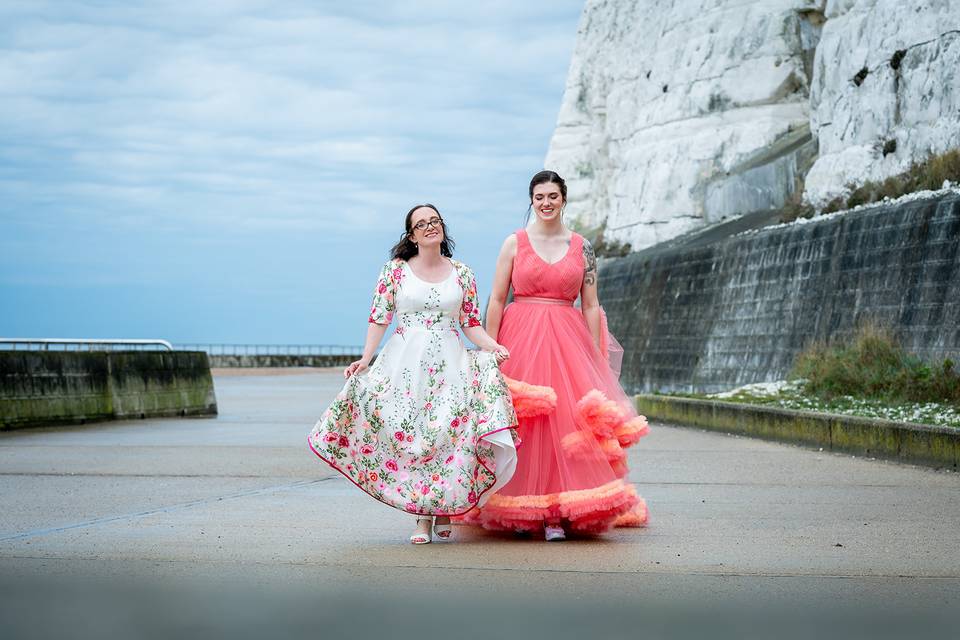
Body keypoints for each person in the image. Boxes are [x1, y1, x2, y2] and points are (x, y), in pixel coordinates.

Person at [308, 204, 519, 544]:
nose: (429, 227)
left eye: (434, 221)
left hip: (451, 363)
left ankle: (445, 506)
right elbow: (380, 318)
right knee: (417, 436)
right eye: (421, 224)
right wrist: (365, 359)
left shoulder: (462, 273)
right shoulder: (395, 271)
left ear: (442, 228)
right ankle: (422, 518)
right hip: (405, 365)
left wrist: (492, 347)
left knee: (447, 434)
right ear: (411, 235)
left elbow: (470, 323)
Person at [462, 171, 649, 540]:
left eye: (552, 196)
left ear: (564, 199)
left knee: (564, 422)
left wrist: (595, 354)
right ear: (531, 201)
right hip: (520, 337)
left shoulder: (583, 247)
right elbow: (497, 299)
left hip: (568, 338)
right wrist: (490, 349)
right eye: (538, 197)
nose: (546, 203)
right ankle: (517, 508)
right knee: (523, 422)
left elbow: (591, 304)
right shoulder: (514, 243)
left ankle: (556, 515)